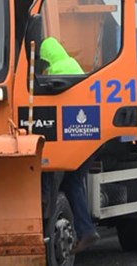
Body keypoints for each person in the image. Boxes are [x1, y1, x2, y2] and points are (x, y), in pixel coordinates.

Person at [39, 37, 98, 253]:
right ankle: (85, 230)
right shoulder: (72, 64)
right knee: (74, 181)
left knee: (50, 165)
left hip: (70, 138)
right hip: (87, 138)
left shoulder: (56, 70)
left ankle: (84, 229)